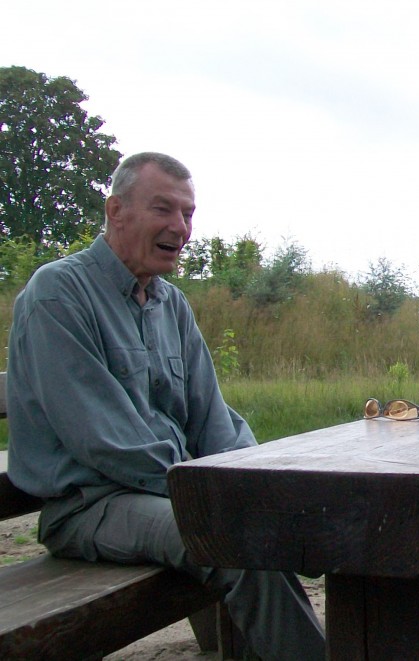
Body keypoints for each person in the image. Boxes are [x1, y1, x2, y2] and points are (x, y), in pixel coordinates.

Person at [6, 152, 326, 659]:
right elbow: (106, 442)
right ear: (116, 211)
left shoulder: (170, 303)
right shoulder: (58, 294)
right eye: (163, 209)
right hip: (92, 505)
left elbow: (213, 419)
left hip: (172, 494)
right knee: (233, 540)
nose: (181, 227)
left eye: (189, 213)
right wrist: (215, 493)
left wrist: (261, 477)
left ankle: (410, 634)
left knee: (321, 515)